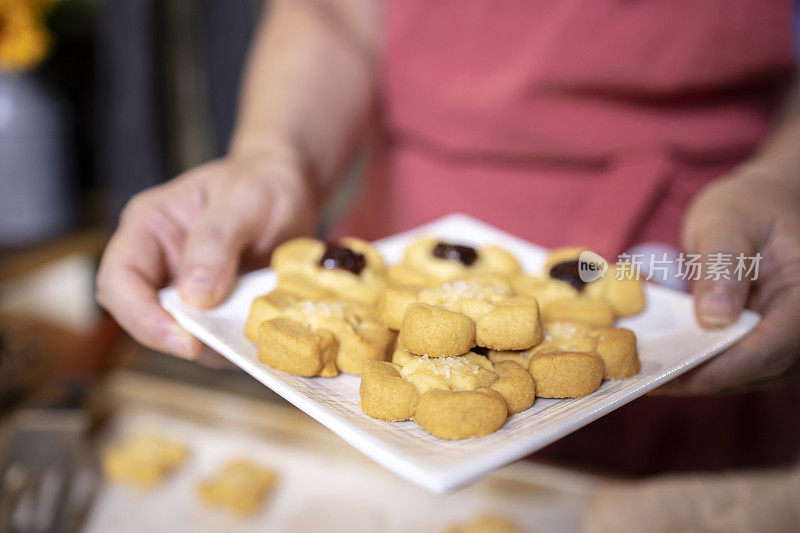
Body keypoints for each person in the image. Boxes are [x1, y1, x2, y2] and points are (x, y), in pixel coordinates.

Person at [97, 1, 800, 471]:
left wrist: (786, 178)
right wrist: (274, 157)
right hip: (399, 273)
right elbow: (336, 11)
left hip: (688, 283)